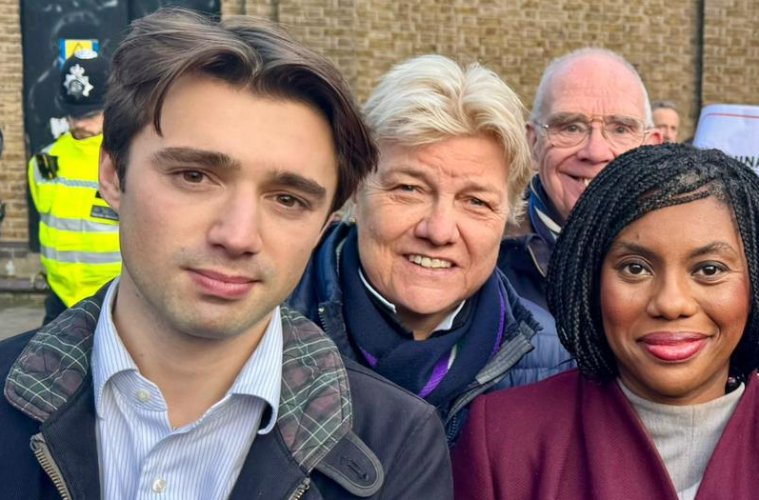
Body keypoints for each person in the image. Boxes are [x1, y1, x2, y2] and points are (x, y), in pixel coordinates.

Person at [0, 9, 450, 499]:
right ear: (113, 174)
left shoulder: (397, 446)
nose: (237, 236)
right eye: (194, 176)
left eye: (288, 199)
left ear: (324, 223)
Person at [453, 144, 759, 499]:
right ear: (592, 280)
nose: (671, 303)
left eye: (709, 269)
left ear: (757, 283)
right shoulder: (505, 442)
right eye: (636, 268)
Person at [285, 55, 543, 441]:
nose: (439, 231)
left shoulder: (556, 365)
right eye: (409, 188)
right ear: (356, 187)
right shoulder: (261, 330)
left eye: (476, 202)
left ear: (509, 215)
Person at [497, 48, 662, 387]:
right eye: (570, 127)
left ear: (653, 145)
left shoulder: (699, 264)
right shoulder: (480, 263)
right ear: (533, 142)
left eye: (620, 129)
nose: (595, 151)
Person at [29, 47, 119, 324]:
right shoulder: (45, 161)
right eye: (75, 114)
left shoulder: (127, 159)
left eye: (91, 114)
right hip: (59, 300)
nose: (81, 124)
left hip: (116, 298)